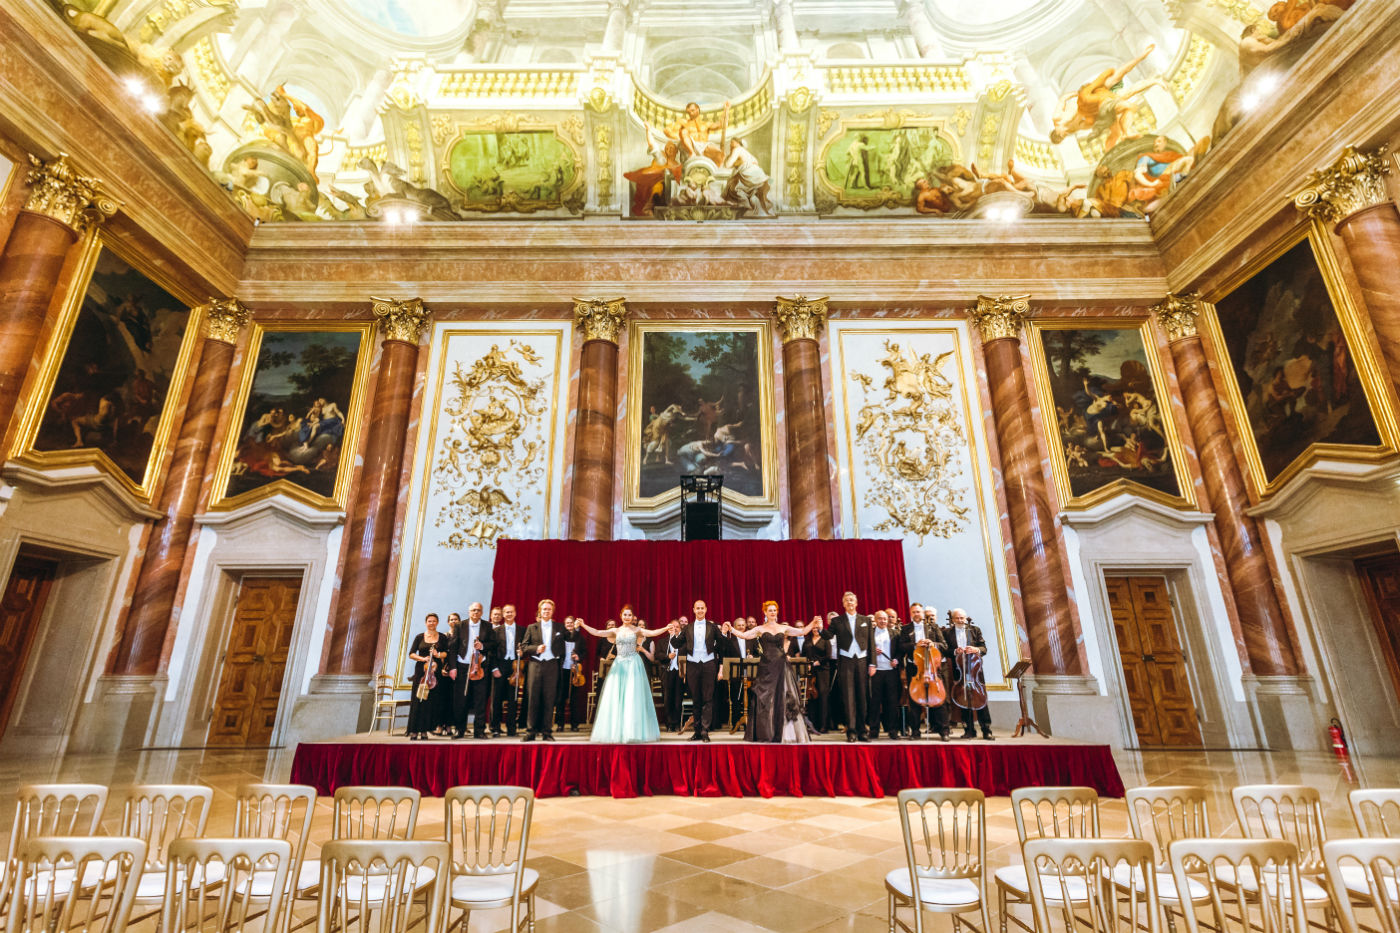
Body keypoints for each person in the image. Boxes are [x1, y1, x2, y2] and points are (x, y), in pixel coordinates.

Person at [727, 602, 819, 743]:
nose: (773, 612)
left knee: (783, 697)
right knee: (766, 698)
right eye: (770, 610)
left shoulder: (784, 628)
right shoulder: (760, 629)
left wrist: (813, 623)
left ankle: (786, 734)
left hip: (782, 666)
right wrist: (731, 629)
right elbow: (744, 635)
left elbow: (801, 632)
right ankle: (767, 732)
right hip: (766, 667)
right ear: (765, 612)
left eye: (774, 610)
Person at [576, 607, 670, 743]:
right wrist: (584, 625)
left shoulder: (636, 630)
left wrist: (665, 628)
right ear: (621, 616)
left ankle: (633, 731)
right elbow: (598, 632)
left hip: (633, 665)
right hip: (619, 665)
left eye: (629, 615)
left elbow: (652, 633)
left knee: (632, 697)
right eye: (625, 614)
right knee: (617, 697)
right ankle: (618, 731)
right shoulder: (616, 631)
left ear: (632, 617)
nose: (627, 617)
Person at [671, 599, 725, 742]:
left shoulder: (712, 627)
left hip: (708, 664)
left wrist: (724, 633)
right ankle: (696, 731)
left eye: (702, 608)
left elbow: (722, 645)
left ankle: (705, 731)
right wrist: (673, 634)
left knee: (708, 698)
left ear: (706, 609)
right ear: (693, 610)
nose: (700, 610)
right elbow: (676, 643)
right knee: (696, 699)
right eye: (697, 608)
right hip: (692, 664)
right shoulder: (687, 628)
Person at [897, 602, 951, 741]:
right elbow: (901, 647)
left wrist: (934, 644)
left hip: (932, 668)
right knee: (914, 700)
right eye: (914, 612)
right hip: (915, 670)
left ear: (922, 613)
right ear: (911, 614)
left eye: (919, 612)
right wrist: (915, 645)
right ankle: (915, 732)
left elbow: (944, 645)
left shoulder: (932, 627)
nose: (917, 614)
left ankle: (944, 731)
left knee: (939, 700)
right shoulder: (905, 629)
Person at [519, 599, 567, 741]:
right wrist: (536, 649)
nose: (546, 611)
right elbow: (524, 647)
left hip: (552, 666)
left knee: (549, 699)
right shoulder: (531, 627)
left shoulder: (559, 627)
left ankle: (547, 732)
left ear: (553, 611)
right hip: (535, 665)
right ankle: (531, 731)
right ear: (540, 611)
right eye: (544, 609)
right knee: (533, 699)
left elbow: (566, 643)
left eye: (549, 609)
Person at [828, 591, 873, 742]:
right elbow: (828, 636)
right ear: (843, 604)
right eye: (846, 600)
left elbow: (871, 643)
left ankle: (862, 730)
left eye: (852, 600)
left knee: (862, 697)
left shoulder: (865, 619)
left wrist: (872, 663)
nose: (849, 602)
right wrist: (820, 628)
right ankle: (851, 731)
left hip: (862, 661)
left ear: (856, 602)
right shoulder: (837, 621)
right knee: (848, 698)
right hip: (846, 661)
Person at [943, 608, 994, 740]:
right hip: (959, 671)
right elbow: (945, 650)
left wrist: (975, 649)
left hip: (975, 671)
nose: (960, 621)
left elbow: (984, 648)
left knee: (980, 700)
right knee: (963, 699)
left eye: (962, 618)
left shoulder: (974, 630)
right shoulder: (947, 633)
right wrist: (955, 651)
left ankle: (986, 729)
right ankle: (969, 730)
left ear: (966, 618)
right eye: (957, 618)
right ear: (953, 619)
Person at [449, 602, 496, 739]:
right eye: (473, 610)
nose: (475, 612)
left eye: (478, 610)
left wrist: (483, 646)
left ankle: (479, 731)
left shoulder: (487, 626)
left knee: (480, 700)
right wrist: (452, 667)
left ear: (482, 613)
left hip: (480, 667)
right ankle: (460, 729)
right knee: (461, 700)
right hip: (463, 666)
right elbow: (453, 647)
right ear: (469, 612)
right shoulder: (460, 625)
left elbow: (493, 644)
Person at [406, 613, 448, 740]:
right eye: (429, 621)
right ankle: (414, 730)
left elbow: (446, 653)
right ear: (426, 623)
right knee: (417, 699)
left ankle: (424, 731)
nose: (432, 623)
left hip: (434, 673)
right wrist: (423, 658)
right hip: (421, 671)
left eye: (434, 621)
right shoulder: (419, 637)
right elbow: (411, 654)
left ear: (437, 623)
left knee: (429, 702)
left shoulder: (442, 637)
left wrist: (438, 654)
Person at [867, 611, 901, 739]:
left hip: (891, 672)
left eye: (885, 619)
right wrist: (872, 651)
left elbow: (899, 651)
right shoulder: (869, 633)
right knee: (875, 701)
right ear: (875, 620)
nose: (883, 621)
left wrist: (896, 660)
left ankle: (892, 730)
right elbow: (864, 650)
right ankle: (874, 730)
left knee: (892, 702)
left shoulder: (895, 633)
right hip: (876, 671)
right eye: (880, 619)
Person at [490, 604, 522, 737]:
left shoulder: (522, 630)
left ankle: (511, 727)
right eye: (506, 612)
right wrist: (494, 668)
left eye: (511, 612)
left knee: (512, 698)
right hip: (500, 665)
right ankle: (495, 727)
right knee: (497, 698)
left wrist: (523, 652)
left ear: (515, 614)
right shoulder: (496, 631)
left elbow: (526, 647)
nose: (509, 614)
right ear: (503, 615)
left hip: (514, 665)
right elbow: (491, 651)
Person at [555, 616, 584, 732]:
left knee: (574, 699)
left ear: (574, 624)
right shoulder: (561, 636)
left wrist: (578, 657)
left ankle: (574, 724)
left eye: (571, 623)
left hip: (574, 670)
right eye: (567, 623)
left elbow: (584, 651)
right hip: (562, 670)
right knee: (560, 698)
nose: (569, 624)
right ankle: (560, 724)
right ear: (564, 624)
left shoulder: (580, 638)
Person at [658, 623, 684, 733]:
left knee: (678, 699)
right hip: (667, 672)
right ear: (668, 629)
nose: (674, 629)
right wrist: (667, 656)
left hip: (680, 672)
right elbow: (657, 655)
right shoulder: (662, 641)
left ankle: (677, 723)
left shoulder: (684, 641)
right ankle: (669, 724)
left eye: (677, 627)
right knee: (667, 699)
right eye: (672, 627)